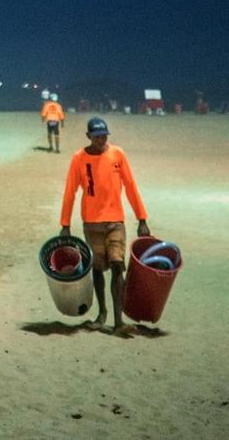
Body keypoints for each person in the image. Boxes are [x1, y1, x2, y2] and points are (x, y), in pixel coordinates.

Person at [60, 117, 151, 335]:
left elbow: (130, 186)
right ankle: (102, 314)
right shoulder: (78, 159)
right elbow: (70, 192)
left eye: (104, 135)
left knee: (118, 265)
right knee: (98, 268)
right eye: (97, 135)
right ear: (88, 136)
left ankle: (118, 320)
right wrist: (65, 223)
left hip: (115, 221)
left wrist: (142, 218)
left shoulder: (117, 154)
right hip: (91, 223)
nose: (101, 139)